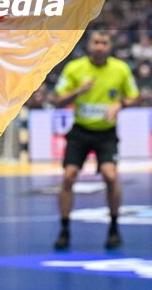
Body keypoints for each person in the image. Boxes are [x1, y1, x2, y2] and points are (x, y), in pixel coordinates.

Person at [49, 30, 136, 250]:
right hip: (80, 131)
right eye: (96, 42)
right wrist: (78, 91)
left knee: (110, 175)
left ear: (110, 46)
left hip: (106, 133)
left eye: (104, 43)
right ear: (89, 45)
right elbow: (57, 99)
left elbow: (134, 95)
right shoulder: (74, 68)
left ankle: (114, 228)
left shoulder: (121, 69)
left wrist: (120, 104)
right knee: (68, 176)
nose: (100, 46)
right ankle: (64, 229)